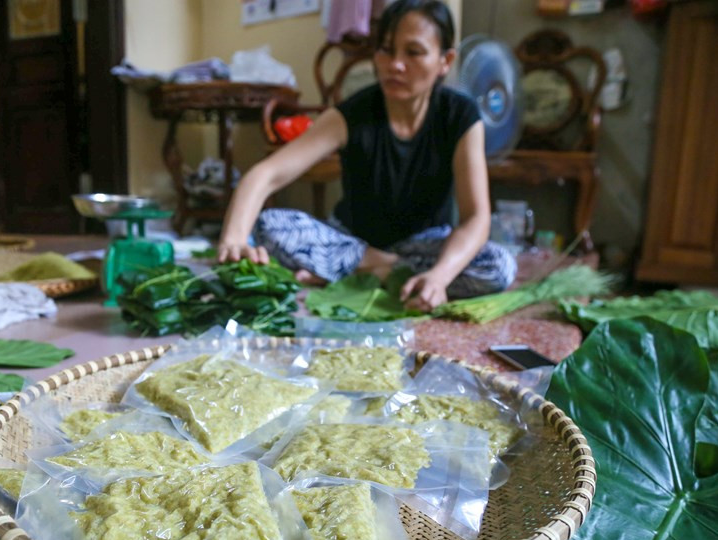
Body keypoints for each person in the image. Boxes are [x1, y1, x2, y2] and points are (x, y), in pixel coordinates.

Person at [217, 0, 516, 311]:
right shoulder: (353, 113)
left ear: (445, 60)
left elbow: (476, 218)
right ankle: (386, 271)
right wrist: (233, 239)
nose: (394, 64)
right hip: (352, 243)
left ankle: (369, 274)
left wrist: (440, 277)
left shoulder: (460, 116)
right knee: (269, 226)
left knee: (499, 266)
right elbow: (265, 175)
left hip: (424, 246)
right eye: (386, 50)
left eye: (413, 52)